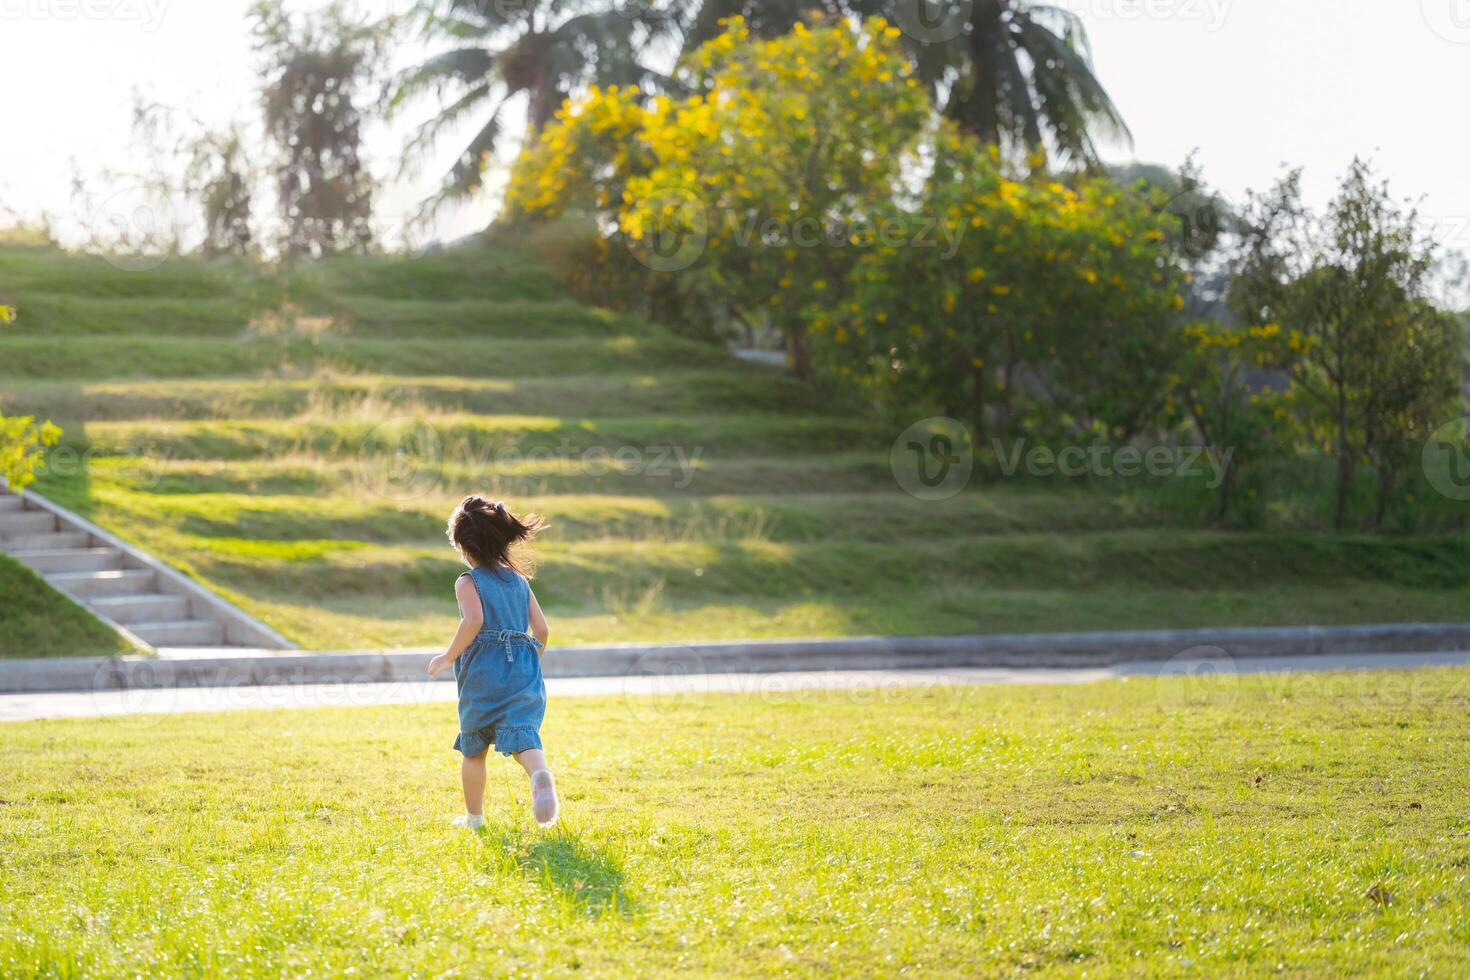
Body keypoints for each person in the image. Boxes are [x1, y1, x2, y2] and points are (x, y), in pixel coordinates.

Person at [428, 495, 556, 830]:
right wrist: (529, 664)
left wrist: (447, 656)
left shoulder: (468, 581)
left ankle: (474, 818)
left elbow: (473, 621)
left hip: (483, 670)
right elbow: (541, 630)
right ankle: (539, 774)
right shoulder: (519, 581)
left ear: (463, 545)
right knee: (524, 736)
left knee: (475, 747)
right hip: (522, 669)